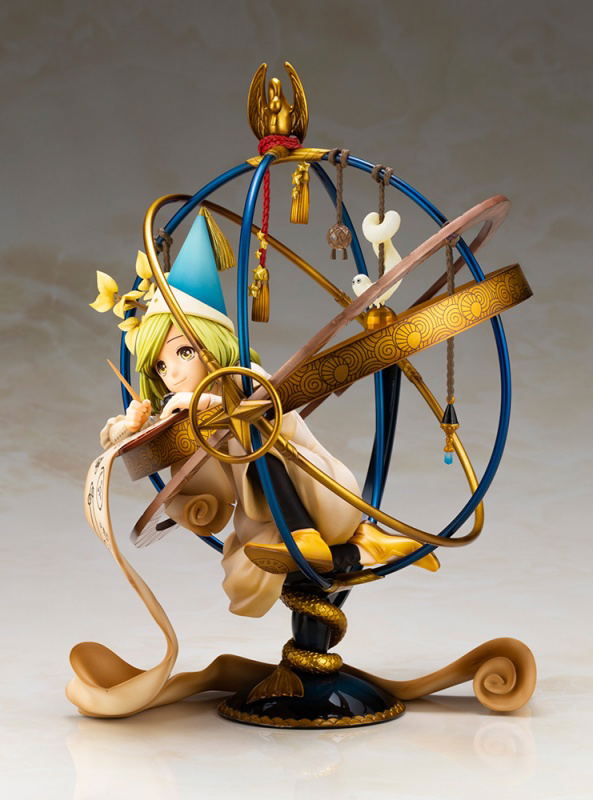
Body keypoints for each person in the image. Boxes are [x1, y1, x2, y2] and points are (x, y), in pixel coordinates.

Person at [98, 210, 439, 617]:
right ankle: (365, 547)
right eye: (159, 366)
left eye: (184, 352)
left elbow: (247, 409)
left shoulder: (247, 379)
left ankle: (313, 535)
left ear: (215, 345)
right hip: (268, 525)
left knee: (254, 438)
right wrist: (127, 429)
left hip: (322, 493)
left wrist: (203, 403)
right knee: (270, 569)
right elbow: (160, 454)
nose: (171, 373)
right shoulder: (183, 411)